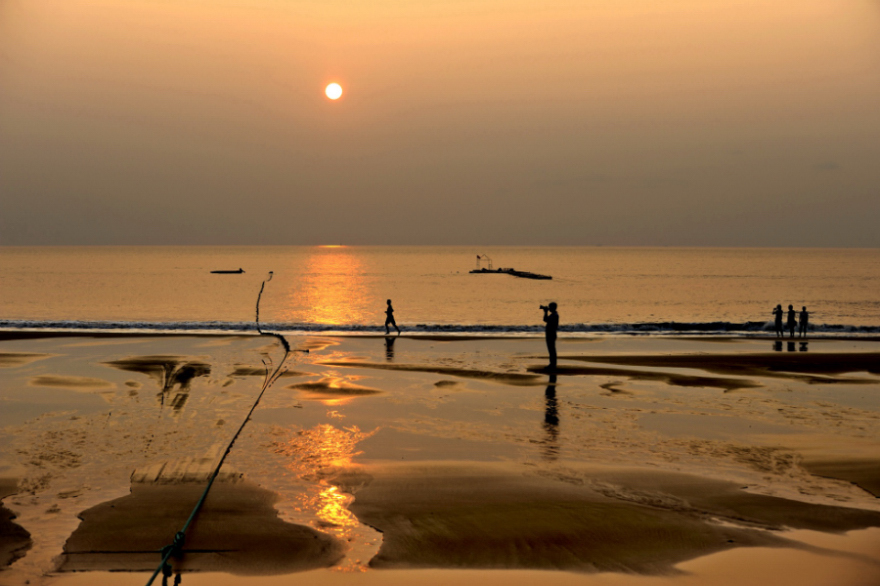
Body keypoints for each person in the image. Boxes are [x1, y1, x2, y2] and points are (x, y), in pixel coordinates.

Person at [542, 302, 559, 368]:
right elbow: (545, 320)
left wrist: (545, 312)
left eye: (550, 307)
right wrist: (545, 312)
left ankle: (553, 364)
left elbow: (546, 319)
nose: (549, 308)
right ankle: (552, 364)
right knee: (551, 349)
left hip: (551, 334)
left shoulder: (554, 315)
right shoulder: (553, 315)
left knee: (551, 349)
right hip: (550, 333)